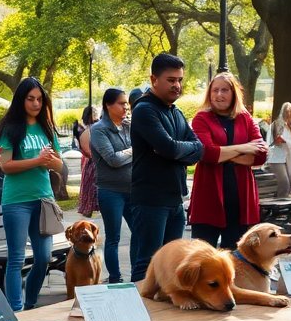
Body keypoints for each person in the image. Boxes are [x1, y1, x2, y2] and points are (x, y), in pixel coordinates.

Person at [129, 53, 202, 281]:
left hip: (175, 199)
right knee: (147, 265)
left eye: (180, 80)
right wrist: (177, 150)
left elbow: (199, 149)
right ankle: (139, 313)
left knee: (172, 264)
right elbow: (170, 148)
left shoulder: (176, 112)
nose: (177, 85)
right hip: (150, 199)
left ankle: (162, 315)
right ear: (154, 79)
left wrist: (175, 151)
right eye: (171, 80)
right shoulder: (144, 110)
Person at [0, 78, 62, 310]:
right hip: (17, 202)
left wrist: (50, 161)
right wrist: (37, 161)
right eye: (30, 99)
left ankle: (30, 302)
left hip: (43, 200)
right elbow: (6, 166)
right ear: (21, 100)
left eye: (40, 99)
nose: (36, 103)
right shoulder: (11, 128)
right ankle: (17, 309)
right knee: (17, 259)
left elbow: (59, 165)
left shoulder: (47, 128)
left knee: (43, 258)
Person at [189, 73, 266, 248]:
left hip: (241, 202)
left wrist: (224, 154)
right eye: (215, 90)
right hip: (209, 200)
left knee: (236, 260)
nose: (219, 95)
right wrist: (244, 147)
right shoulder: (201, 118)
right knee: (202, 258)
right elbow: (207, 153)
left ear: (234, 94)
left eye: (224, 90)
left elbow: (261, 154)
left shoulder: (244, 117)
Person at [90, 88, 133, 282]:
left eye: (126, 103)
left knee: (139, 233)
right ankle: (115, 278)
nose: (126, 107)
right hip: (110, 191)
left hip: (133, 189)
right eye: (121, 103)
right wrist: (134, 150)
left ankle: (138, 276)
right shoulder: (99, 129)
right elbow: (112, 159)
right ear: (108, 105)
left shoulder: (128, 126)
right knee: (113, 237)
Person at [266, 101, 291, 198]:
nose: (288, 113)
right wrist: (277, 142)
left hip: (288, 157)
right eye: (286, 111)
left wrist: (287, 142)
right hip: (276, 158)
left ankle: (282, 202)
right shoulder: (275, 125)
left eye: (290, 111)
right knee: (285, 182)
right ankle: (280, 205)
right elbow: (269, 142)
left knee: (290, 182)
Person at [73, 105, 100, 216]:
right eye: (94, 112)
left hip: (88, 159)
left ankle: (90, 208)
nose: (96, 114)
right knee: (92, 184)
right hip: (92, 159)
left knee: (90, 184)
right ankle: (91, 208)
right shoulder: (88, 129)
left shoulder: (82, 127)